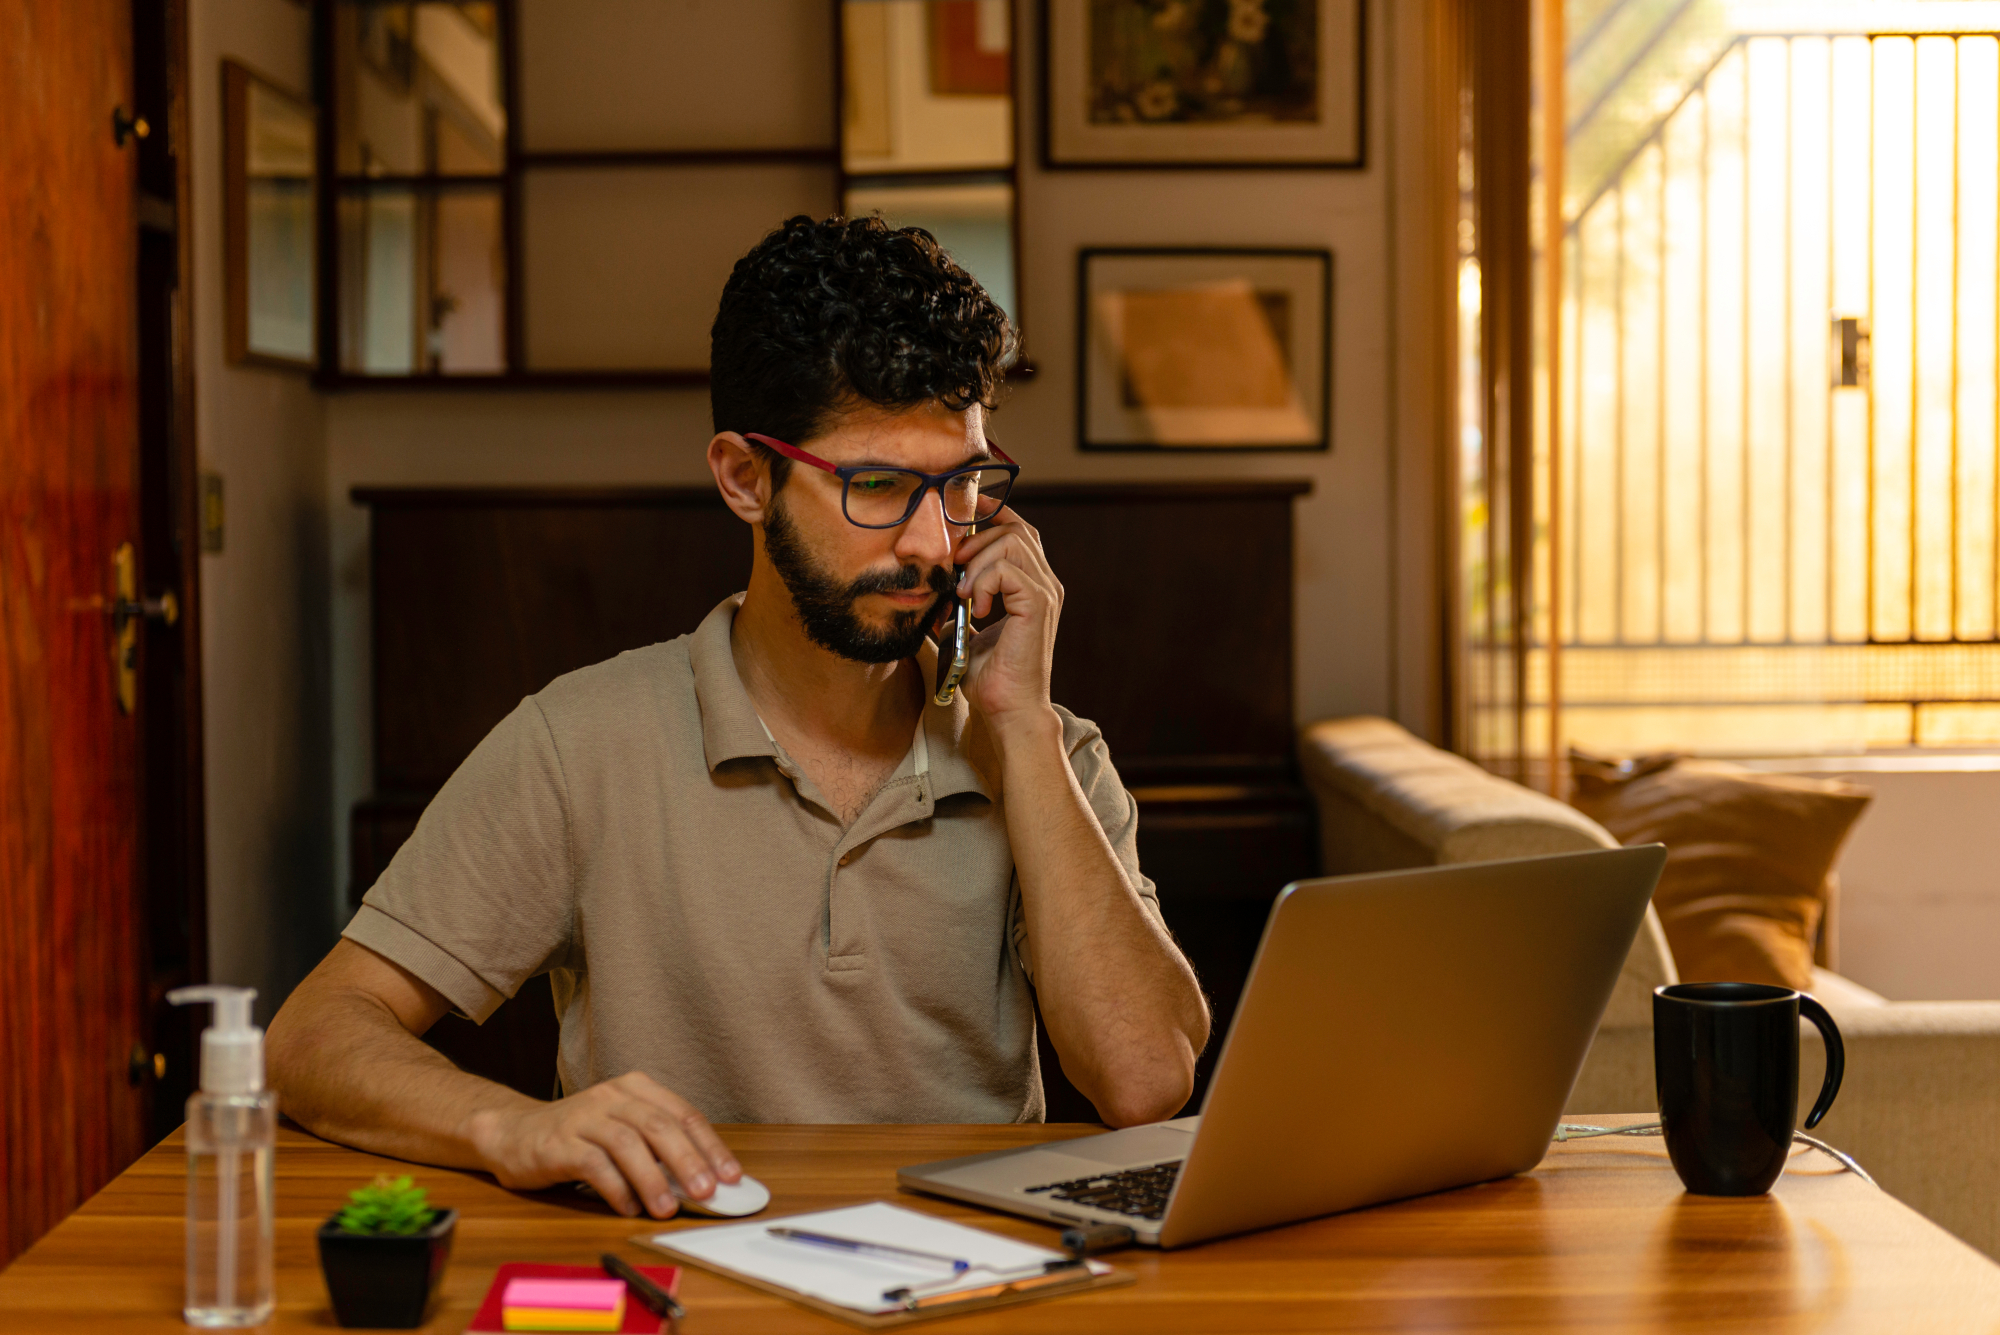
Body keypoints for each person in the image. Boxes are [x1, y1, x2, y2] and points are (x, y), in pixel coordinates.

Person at [267, 215, 1209, 1220]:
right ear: (744, 479)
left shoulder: (1045, 752)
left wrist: (1019, 726)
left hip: (968, 1289)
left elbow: (1143, 1084)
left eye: (965, 484)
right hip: (681, 1281)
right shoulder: (578, 742)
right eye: (880, 487)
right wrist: (508, 1126)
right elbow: (315, 1037)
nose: (938, 542)